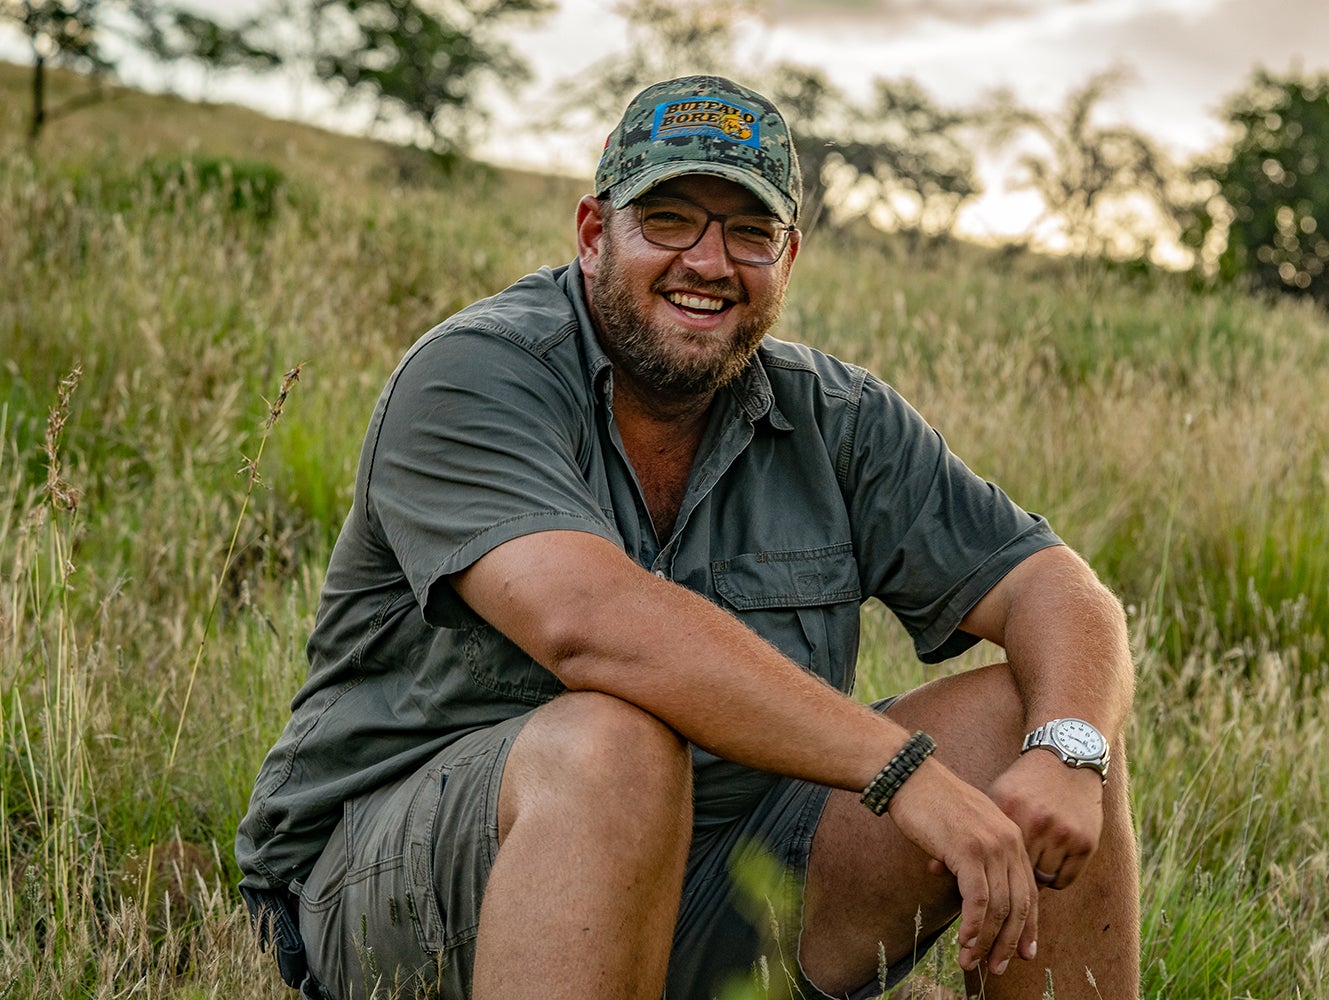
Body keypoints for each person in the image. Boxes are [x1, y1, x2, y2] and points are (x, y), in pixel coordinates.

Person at [236, 75, 1139, 1000]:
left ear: (789, 259)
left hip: (710, 891)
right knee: (612, 746)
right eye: (668, 220)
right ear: (594, 234)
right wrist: (902, 772)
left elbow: (1055, 588)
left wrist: (1069, 748)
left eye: (749, 232)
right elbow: (586, 621)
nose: (709, 262)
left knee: (1036, 722)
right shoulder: (473, 376)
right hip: (396, 891)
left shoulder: (836, 416)